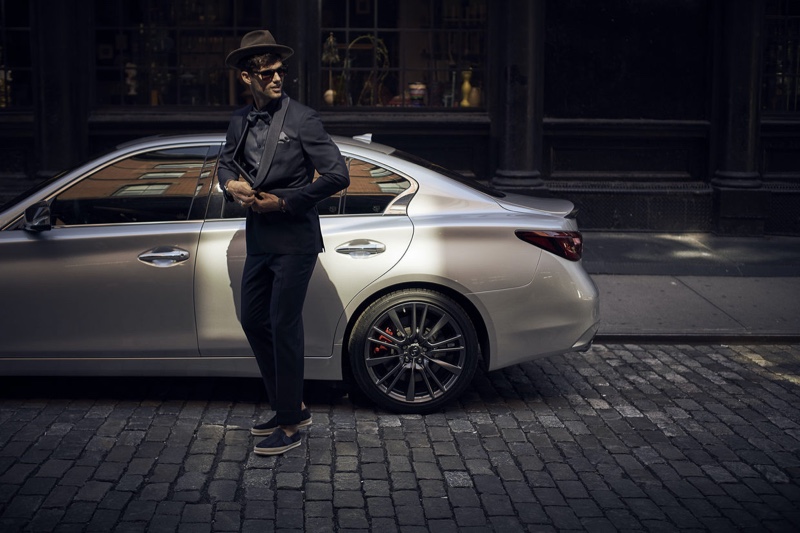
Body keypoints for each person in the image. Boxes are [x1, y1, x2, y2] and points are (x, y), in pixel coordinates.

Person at [218, 30, 349, 456]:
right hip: (259, 238)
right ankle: (290, 405)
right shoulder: (239, 120)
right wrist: (231, 185)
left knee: (282, 324)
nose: (277, 79)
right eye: (267, 73)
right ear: (247, 77)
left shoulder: (303, 118)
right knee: (253, 319)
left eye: (280, 72)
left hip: (295, 237)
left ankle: (290, 424)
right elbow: (223, 164)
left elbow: (337, 175)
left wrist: (286, 201)